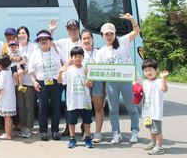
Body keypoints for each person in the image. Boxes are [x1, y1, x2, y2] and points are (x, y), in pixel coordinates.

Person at [94, 14, 141, 145]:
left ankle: (135, 131)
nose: (109, 36)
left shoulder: (123, 41)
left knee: (131, 106)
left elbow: (136, 31)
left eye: (111, 34)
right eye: (106, 34)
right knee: (113, 109)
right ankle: (116, 133)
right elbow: (99, 69)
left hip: (126, 80)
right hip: (111, 83)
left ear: (114, 33)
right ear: (102, 35)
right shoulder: (101, 51)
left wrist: (131, 20)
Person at [28, 30, 64, 141]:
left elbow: (66, 63)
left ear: (50, 41)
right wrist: (34, 82)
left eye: (46, 39)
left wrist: (61, 74)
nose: (43, 41)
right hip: (41, 83)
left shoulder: (57, 51)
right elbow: (30, 71)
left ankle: (55, 130)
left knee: (56, 107)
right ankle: (43, 131)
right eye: (41, 40)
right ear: (38, 42)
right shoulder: (35, 54)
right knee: (42, 108)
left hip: (56, 82)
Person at [57, 46, 94, 149]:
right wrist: (60, 72)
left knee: (87, 121)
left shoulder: (86, 69)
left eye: (79, 56)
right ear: (71, 58)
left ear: (83, 57)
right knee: (71, 121)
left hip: (85, 100)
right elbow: (60, 81)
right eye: (75, 56)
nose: (77, 58)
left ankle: (87, 138)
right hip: (72, 101)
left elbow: (90, 84)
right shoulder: (68, 70)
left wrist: (89, 81)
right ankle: (72, 139)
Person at [80, 29, 105, 143]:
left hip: (98, 82)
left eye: (88, 38)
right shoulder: (79, 53)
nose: (86, 40)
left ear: (92, 39)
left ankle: (98, 133)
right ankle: (87, 132)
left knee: (98, 108)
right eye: (84, 38)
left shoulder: (99, 52)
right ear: (81, 41)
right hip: (83, 83)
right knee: (86, 108)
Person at [141, 59, 169, 155]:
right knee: (151, 128)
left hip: (155, 112)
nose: (148, 72)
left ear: (156, 70)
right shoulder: (145, 82)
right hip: (147, 111)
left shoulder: (159, 82)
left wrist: (163, 78)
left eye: (150, 70)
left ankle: (159, 147)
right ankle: (153, 143)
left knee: (157, 130)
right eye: (146, 70)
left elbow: (164, 90)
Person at [16, 26, 37, 138]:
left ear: (28, 35)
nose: (21, 35)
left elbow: (34, 64)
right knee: (20, 106)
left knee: (29, 105)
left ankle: (28, 128)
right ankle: (23, 127)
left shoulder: (33, 47)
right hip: (18, 82)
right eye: (19, 33)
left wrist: (24, 71)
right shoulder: (15, 47)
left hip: (29, 81)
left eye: (23, 33)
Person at [0, 54, 17, 140]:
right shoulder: (10, 73)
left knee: (6, 117)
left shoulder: (1, 74)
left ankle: (7, 134)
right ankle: (9, 132)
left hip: (5, 99)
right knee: (9, 117)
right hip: (10, 98)